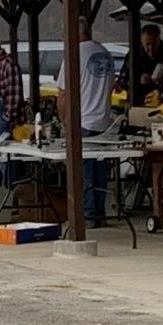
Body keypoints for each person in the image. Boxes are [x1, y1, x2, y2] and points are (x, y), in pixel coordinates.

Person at [56, 17, 115, 227]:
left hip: (83, 120)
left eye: (64, 34)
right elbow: (111, 87)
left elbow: (63, 94)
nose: (63, 38)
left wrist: (64, 121)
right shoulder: (105, 54)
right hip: (104, 122)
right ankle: (98, 212)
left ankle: (88, 215)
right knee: (99, 172)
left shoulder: (73, 55)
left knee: (82, 172)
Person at [116, 24, 163, 104]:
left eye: (154, 44)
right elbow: (121, 84)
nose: (151, 49)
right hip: (138, 103)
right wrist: (137, 80)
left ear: (159, 40)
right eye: (147, 44)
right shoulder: (133, 57)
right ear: (142, 42)